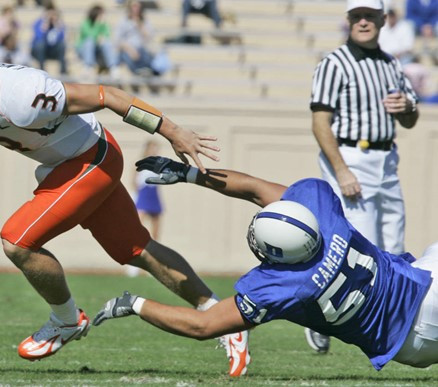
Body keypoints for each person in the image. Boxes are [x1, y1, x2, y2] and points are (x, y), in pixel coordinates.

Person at [0, 38, 250, 377]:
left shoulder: (27, 96)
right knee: (137, 249)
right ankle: (224, 317)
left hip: (91, 159)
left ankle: (65, 319)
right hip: (66, 166)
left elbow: (108, 95)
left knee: (17, 239)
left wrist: (171, 130)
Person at [94, 155, 438, 371]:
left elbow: (203, 326)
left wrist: (135, 305)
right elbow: (257, 189)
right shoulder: (322, 211)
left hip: (412, 344)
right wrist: (188, 173)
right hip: (423, 287)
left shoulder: (283, 284)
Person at [310, 0, 419, 351]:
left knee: (394, 247)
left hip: (386, 158)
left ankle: (390, 330)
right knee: (362, 251)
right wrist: (341, 170)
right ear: (348, 20)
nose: (363, 22)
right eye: (356, 16)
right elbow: (320, 121)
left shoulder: (391, 64)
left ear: (383, 20)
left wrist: (408, 108)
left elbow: (410, 118)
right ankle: (319, 317)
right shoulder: (335, 62)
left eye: (369, 16)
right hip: (351, 155)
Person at [126, 140, 164, 277]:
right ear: (147, 149)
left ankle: (154, 267)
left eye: (156, 148)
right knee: (137, 231)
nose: (155, 151)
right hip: (143, 196)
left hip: (154, 196)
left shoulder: (160, 165)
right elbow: (134, 183)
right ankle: (134, 266)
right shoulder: (140, 164)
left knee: (156, 234)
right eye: (153, 148)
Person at [115, 0, 167, 76]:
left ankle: (149, 70)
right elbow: (117, 40)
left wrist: (140, 25)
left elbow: (149, 37)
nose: (136, 8)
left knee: (147, 52)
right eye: (134, 6)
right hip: (128, 49)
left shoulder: (144, 21)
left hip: (142, 49)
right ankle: (137, 71)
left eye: (138, 6)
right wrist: (129, 49)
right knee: (124, 55)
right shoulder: (124, 21)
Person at [75, 4, 119, 80]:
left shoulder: (104, 24)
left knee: (106, 42)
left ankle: (113, 67)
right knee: (90, 41)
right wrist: (97, 24)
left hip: (97, 49)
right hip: (84, 49)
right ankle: (88, 66)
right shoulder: (86, 23)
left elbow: (107, 35)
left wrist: (102, 39)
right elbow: (90, 35)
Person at [31, 3, 68, 75]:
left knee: (62, 45)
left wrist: (56, 25)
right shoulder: (39, 22)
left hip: (53, 50)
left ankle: (63, 70)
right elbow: (38, 38)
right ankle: (42, 69)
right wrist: (46, 24)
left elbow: (62, 38)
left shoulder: (58, 24)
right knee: (41, 44)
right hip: (40, 50)